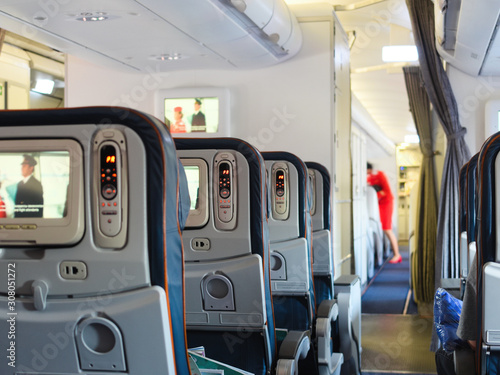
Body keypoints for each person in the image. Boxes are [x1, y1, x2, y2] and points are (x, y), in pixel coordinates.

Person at [366, 162, 401, 263]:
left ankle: (397, 255)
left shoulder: (380, 175)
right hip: (379, 204)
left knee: (387, 228)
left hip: (386, 203)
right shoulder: (369, 178)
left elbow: (386, 191)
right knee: (381, 227)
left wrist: (376, 195)